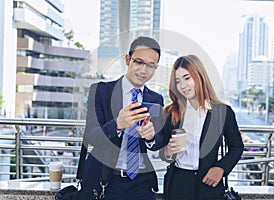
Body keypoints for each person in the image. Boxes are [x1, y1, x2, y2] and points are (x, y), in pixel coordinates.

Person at [81, 36, 164, 200]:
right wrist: (117, 124)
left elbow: (159, 141)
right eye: (139, 62)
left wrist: (151, 137)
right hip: (106, 180)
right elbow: (91, 136)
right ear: (128, 60)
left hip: (141, 181)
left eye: (150, 65)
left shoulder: (156, 99)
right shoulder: (101, 91)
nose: (143, 70)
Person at [159, 55, 244, 200]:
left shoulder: (222, 112)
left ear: (200, 76)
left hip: (209, 184)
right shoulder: (171, 112)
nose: (182, 86)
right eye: (178, 81)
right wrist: (167, 151)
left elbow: (237, 146)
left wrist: (221, 168)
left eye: (187, 78)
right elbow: (163, 152)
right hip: (177, 184)